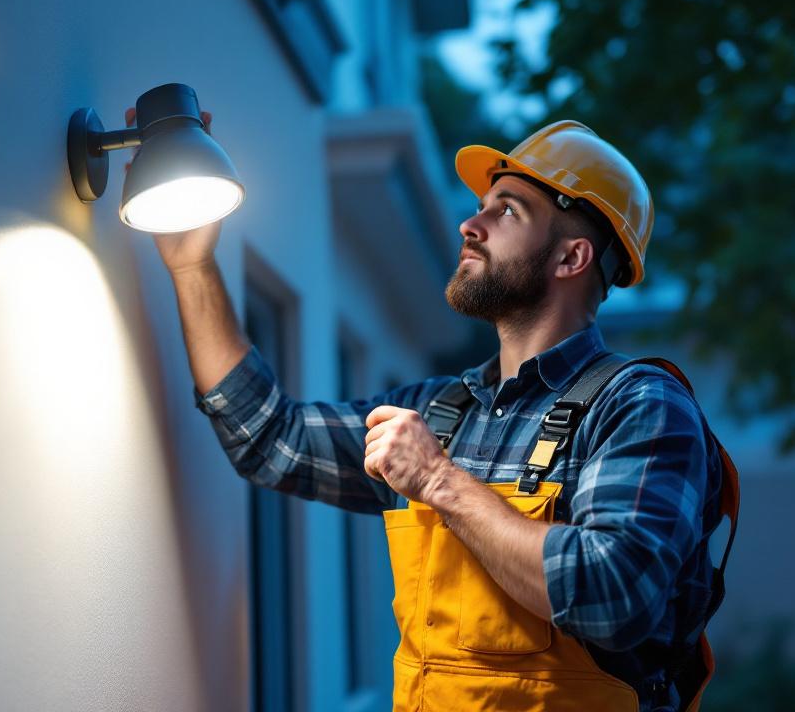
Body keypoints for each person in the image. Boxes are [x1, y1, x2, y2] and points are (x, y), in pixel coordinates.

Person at [152, 115, 737, 712]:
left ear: (572, 258)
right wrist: (191, 266)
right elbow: (270, 438)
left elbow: (614, 596)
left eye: (507, 211)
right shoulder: (440, 414)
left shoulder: (638, 405)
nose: (469, 224)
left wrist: (438, 481)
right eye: (481, 205)